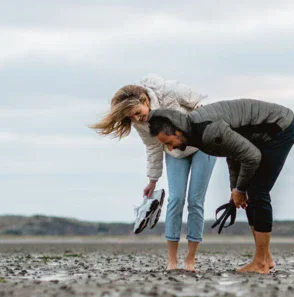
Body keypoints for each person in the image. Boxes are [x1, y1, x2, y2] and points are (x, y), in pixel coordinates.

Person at [147, 99, 294, 274]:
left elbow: (252, 157)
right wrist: (235, 188)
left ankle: (260, 263)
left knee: (258, 191)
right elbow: (233, 153)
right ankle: (265, 258)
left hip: (280, 127)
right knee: (248, 192)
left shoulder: (208, 131)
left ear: (178, 131)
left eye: (168, 142)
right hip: (261, 133)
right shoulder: (196, 131)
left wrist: (240, 189)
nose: (170, 148)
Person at [90, 75, 216, 271]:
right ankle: (172, 262)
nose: (138, 119)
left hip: (204, 146)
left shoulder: (169, 90)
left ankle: (190, 260)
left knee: (195, 201)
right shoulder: (140, 122)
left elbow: (202, 100)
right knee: (175, 199)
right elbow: (152, 147)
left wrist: (202, 111)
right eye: (132, 117)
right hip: (175, 152)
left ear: (144, 100)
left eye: (138, 113)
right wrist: (153, 180)